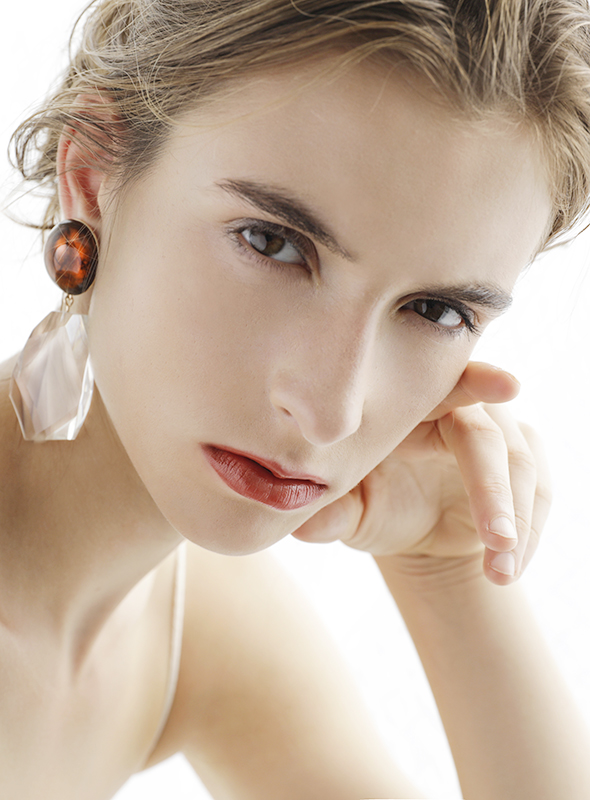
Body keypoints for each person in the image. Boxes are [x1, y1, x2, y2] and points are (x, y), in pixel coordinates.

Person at [1, 0, 589, 798]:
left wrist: (449, 571)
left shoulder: (191, 625)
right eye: (272, 242)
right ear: (92, 173)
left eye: (436, 311)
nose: (330, 411)